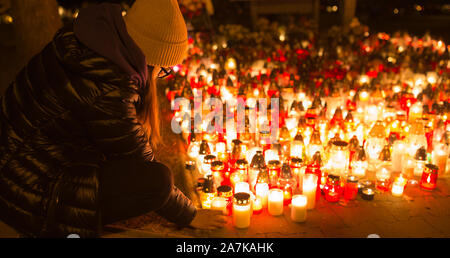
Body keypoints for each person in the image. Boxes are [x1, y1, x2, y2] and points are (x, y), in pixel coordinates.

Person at [0, 0, 226, 237]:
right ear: (151, 58)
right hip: (27, 189)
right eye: (164, 69)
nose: (162, 75)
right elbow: (139, 161)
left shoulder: (89, 45)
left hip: (21, 160)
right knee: (157, 182)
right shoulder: (108, 85)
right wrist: (189, 214)